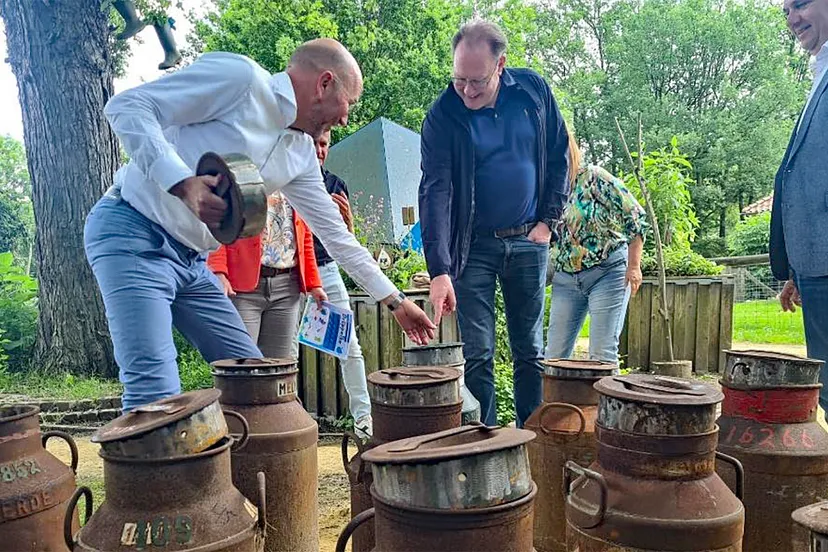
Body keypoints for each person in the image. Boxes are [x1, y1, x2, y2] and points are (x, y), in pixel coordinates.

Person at [85, 39, 436, 411]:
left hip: (192, 261)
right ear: (324, 84)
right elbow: (127, 106)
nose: (345, 119)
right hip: (134, 234)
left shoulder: (300, 154)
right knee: (155, 391)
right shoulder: (241, 81)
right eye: (349, 102)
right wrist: (182, 183)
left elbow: (336, 236)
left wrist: (396, 302)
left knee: (257, 383)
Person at [419, 19, 569, 427]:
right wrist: (440, 269)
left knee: (530, 351)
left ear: (501, 65)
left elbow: (560, 156)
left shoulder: (533, 92)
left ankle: (532, 440)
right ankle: (484, 443)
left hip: (528, 240)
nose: (467, 90)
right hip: (472, 248)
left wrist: (548, 222)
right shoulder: (443, 115)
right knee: (479, 353)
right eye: (459, 79)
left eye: (477, 81)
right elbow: (434, 191)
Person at [545, 129, 648, 363]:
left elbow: (635, 216)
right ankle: (559, 390)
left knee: (602, 354)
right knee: (554, 357)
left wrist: (634, 266)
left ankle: (607, 390)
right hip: (566, 278)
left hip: (607, 272)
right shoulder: (547, 191)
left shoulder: (594, 177)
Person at [771, 0, 828, 414]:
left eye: (801, 4)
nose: (792, 19)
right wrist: (796, 269)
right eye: (786, 10)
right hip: (815, 267)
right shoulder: (819, 72)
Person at [300, 130, 373, 439]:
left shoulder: (335, 184)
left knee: (349, 345)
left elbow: (346, 241)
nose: (319, 150)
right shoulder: (286, 179)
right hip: (293, 272)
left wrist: (348, 222)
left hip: (326, 269)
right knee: (286, 350)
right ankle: (288, 419)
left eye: (324, 144)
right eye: (314, 143)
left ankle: (364, 420)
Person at [207, 191, 327, 359]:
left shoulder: (295, 182)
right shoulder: (240, 176)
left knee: (277, 365)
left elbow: (304, 234)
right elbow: (219, 223)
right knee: (240, 362)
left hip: (287, 287)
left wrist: (314, 284)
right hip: (242, 286)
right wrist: (219, 270)